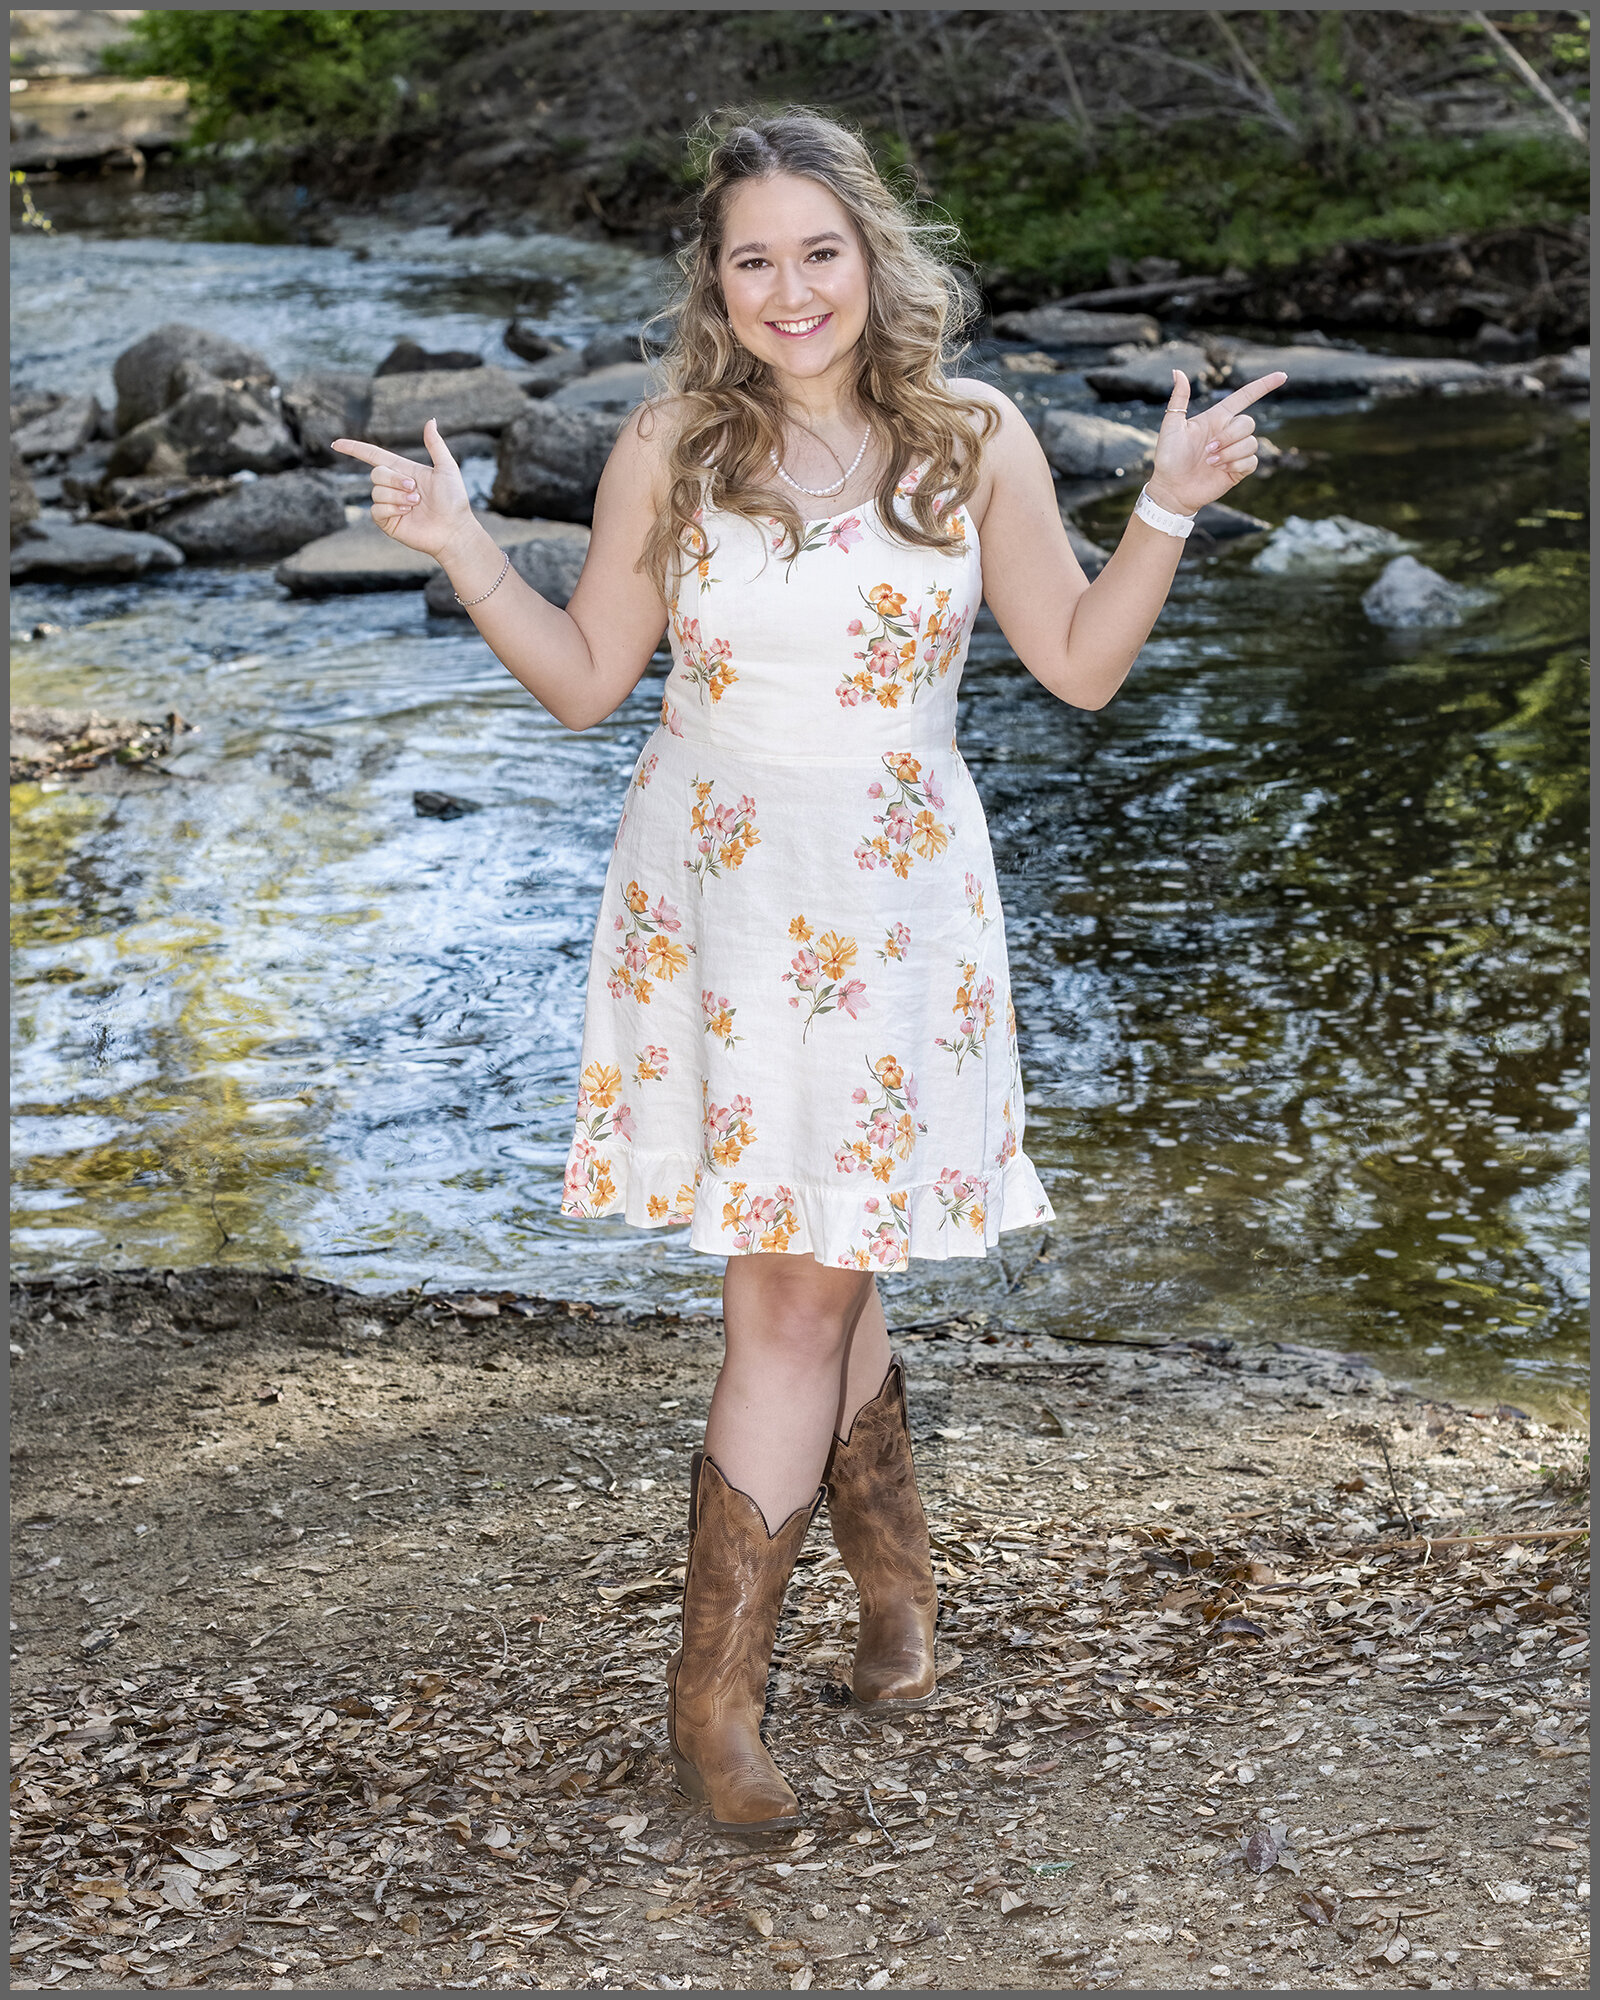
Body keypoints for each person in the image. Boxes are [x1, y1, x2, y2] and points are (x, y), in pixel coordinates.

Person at [334, 106, 1285, 1834]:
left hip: (897, 901)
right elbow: (586, 680)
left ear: (873, 257)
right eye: (754, 259)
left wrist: (1164, 504)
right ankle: (796, 1655)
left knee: (805, 1274)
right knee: (802, 1267)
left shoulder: (974, 437)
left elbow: (1078, 667)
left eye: (820, 252)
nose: (791, 291)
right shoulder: (671, 443)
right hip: (717, 891)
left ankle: (766, 1668)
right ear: (714, 281)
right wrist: (465, 547)